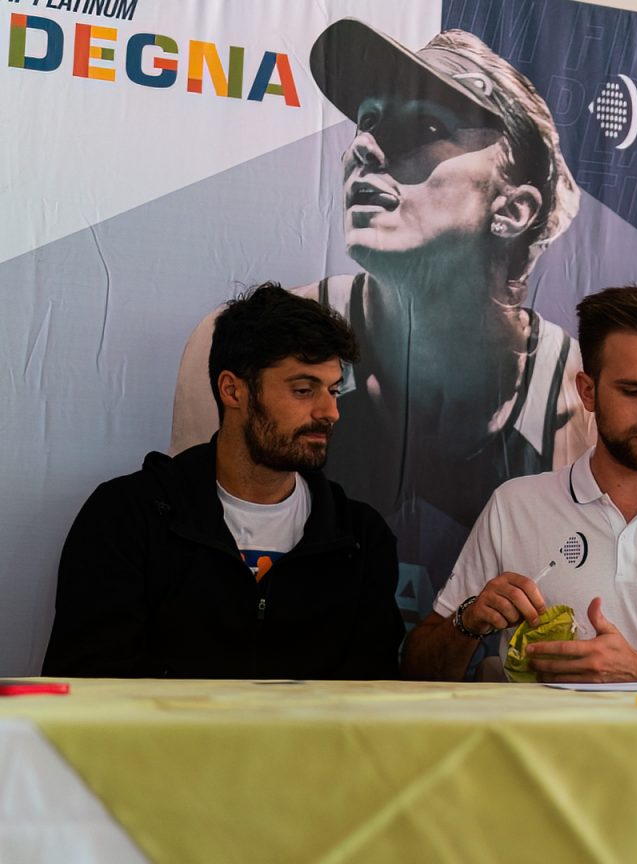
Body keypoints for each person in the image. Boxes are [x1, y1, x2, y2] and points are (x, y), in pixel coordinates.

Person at [168, 19, 593, 622]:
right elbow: (182, 568)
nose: (363, 147)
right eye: (366, 120)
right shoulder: (237, 349)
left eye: (426, 128)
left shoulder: (575, 393)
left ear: (514, 208)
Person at [400, 286, 637, 683]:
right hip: (533, 729)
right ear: (587, 391)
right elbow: (417, 672)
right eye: (633, 390)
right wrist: (469, 621)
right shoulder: (514, 505)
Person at [43, 284, 403, 679]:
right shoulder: (127, 518)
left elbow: (371, 699)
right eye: (303, 390)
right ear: (233, 390)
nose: (330, 412)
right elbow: (86, 687)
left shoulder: (361, 538)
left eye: (334, 390)